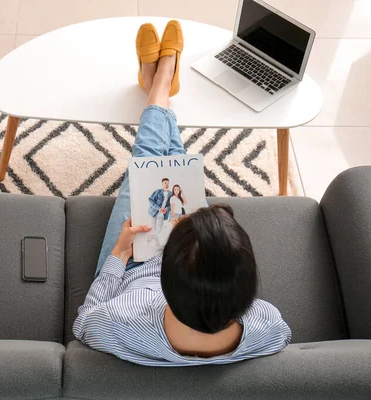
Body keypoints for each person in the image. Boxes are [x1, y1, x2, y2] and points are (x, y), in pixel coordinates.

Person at [73, 21, 291, 366]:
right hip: (197, 264)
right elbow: (281, 332)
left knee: (146, 159)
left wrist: (118, 254)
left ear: (166, 289)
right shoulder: (266, 325)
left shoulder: (123, 318)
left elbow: (83, 323)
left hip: (135, 263)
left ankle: (158, 83)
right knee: (179, 167)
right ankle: (161, 88)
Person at [146, 178, 172, 247]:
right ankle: (157, 244)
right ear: (162, 184)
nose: (167, 184)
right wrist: (158, 208)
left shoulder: (170, 194)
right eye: (165, 183)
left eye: (168, 183)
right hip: (153, 212)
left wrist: (166, 209)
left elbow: (171, 205)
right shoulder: (158, 191)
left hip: (162, 214)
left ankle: (150, 237)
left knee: (158, 230)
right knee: (154, 229)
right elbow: (151, 200)